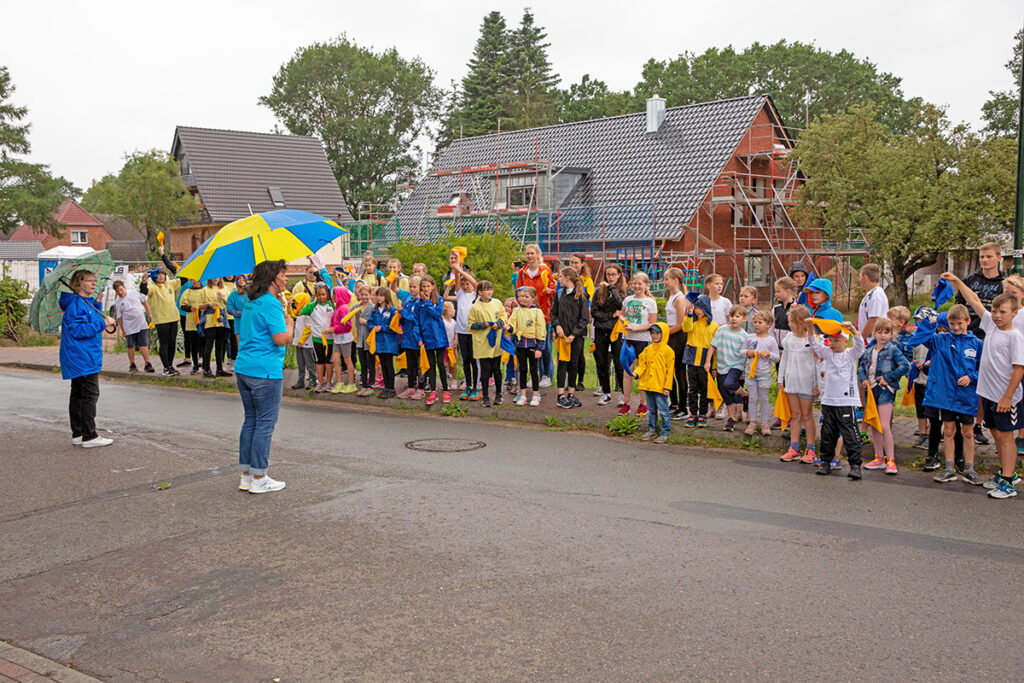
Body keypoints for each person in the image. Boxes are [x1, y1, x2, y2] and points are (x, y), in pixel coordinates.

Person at [946, 274, 1024, 498]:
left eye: (1003, 312)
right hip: (989, 394)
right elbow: (974, 300)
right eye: (995, 311)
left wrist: (1007, 397)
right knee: (996, 434)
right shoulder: (990, 325)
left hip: (1005, 397)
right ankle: (1005, 473)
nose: (997, 315)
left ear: (1014, 313)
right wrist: (957, 282)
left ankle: (1008, 483)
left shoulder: (1015, 337)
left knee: (1006, 437)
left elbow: (1019, 369)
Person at [908, 305, 984, 485]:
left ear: (968, 321)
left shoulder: (977, 344)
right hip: (945, 396)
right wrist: (931, 322)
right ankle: (949, 468)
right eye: (952, 323)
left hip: (966, 396)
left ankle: (969, 469)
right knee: (949, 431)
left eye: (960, 323)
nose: (956, 327)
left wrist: (971, 377)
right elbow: (916, 339)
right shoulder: (939, 340)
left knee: (968, 432)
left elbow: (983, 368)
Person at [235, 259, 291, 494]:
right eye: (283, 274)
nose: (286, 278)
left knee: (251, 420)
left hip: (245, 367)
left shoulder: (251, 301)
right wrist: (290, 322)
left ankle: (247, 475)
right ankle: (259, 477)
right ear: (272, 279)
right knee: (265, 424)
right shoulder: (270, 303)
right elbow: (281, 338)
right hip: (265, 371)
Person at [61, 269, 117, 448]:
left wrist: (98, 305)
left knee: (78, 394)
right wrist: (103, 322)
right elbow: (79, 330)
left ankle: (78, 433)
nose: (94, 283)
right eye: (89, 280)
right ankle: (89, 435)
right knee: (90, 394)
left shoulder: (84, 302)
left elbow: (88, 319)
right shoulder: (76, 305)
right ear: (78, 283)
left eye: (94, 280)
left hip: (83, 355)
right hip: (82, 356)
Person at [809, 320, 866, 479]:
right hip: (828, 400)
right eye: (830, 340)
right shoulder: (827, 353)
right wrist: (809, 327)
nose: (832, 343)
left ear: (845, 341)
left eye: (836, 340)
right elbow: (814, 344)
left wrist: (853, 329)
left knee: (850, 433)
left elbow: (861, 346)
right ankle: (826, 462)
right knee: (827, 433)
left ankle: (855, 466)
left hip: (845, 401)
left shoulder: (850, 354)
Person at [857, 318, 910, 475]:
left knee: (884, 425)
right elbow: (861, 367)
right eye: (879, 332)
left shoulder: (893, 350)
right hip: (871, 390)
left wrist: (888, 378)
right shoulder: (869, 350)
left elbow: (905, 366)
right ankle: (878, 458)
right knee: (874, 424)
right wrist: (863, 379)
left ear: (892, 334)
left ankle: (891, 459)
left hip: (885, 390)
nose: (882, 335)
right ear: (874, 333)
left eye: (886, 332)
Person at [778, 306, 818, 464]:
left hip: (807, 383)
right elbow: (784, 359)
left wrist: (817, 385)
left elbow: (817, 363)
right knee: (795, 415)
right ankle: (793, 448)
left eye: (791, 321)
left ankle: (810, 449)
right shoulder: (788, 338)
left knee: (807, 415)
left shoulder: (812, 339)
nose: (789, 324)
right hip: (791, 381)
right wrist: (780, 379)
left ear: (800, 322)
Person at [616, 272, 658, 416]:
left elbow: (652, 323)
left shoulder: (650, 302)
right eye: (635, 283)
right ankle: (626, 403)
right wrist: (623, 320)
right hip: (628, 340)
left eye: (640, 283)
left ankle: (643, 404)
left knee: (643, 372)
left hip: (643, 340)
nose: (637, 286)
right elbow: (622, 314)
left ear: (646, 285)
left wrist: (636, 328)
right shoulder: (628, 300)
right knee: (627, 371)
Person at [516, 244, 556, 385]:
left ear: (538, 254)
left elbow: (552, 287)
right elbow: (518, 291)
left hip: (543, 313)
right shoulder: (523, 272)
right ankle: (535, 375)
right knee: (531, 347)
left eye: (532, 253)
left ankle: (547, 375)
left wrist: (549, 291)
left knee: (545, 346)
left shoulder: (545, 270)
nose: (529, 256)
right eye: (527, 253)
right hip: (527, 314)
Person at [550, 267, 589, 409]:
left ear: (567, 278)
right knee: (562, 363)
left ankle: (571, 393)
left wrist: (573, 335)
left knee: (574, 363)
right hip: (562, 336)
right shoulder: (559, 294)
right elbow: (553, 313)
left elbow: (584, 318)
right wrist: (557, 326)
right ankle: (560, 395)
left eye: (560, 276)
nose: (559, 279)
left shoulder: (581, 295)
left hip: (576, 337)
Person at [467, 280, 507, 407]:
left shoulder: (497, 303)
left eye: (491, 289)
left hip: (496, 341)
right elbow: (470, 326)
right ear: (479, 292)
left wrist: (498, 324)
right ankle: (485, 396)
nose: (489, 292)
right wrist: (483, 325)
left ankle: (499, 394)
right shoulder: (475, 307)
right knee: (485, 371)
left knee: (496, 369)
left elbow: (503, 316)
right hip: (482, 343)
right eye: (486, 290)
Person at [591, 264, 626, 406]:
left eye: (613, 274)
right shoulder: (598, 291)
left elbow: (622, 305)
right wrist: (611, 315)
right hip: (601, 330)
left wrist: (612, 288)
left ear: (619, 275)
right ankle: (606, 392)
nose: (610, 277)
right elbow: (594, 312)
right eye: (608, 274)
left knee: (619, 363)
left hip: (616, 331)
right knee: (602, 362)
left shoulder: (623, 291)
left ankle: (624, 393)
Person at [710, 305, 749, 432]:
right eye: (732, 316)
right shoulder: (721, 330)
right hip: (722, 365)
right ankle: (731, 419)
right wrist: (708, 362)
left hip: (736, 365)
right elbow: (712, 346)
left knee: (729, 383)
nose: (734, 319)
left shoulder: (744, 336)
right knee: (725, 392)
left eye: (737, 316)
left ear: (744, 319)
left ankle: (744, 394)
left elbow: (747, 353)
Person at [681, 295, 718, 427]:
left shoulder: (714, 326)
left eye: (700, 308)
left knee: (704, 390)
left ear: (706, 308)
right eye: (696, 308)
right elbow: (685, 328)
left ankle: (703, 413)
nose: (698, 311)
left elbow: (715, 348)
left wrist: (714, 366)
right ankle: (693, 414)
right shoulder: (692, 321)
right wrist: (689, 315)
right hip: (691, 360)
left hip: (705, 361)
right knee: (692, 389)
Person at [635, 322, 675, 443]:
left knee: (663, 411)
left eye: (658, 333)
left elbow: (670, 372)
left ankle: (665, 431)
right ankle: (651, 429)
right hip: (648, 385)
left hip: (660, 387)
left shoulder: (668, 351)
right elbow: (642, 365)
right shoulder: (647, 350)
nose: (654, 336)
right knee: (652, 410)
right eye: (652, 333)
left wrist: (667, 387)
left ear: (664, 334)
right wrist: (636, 373)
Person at [742, 311, 780, 436]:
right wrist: (747, 352)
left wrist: (768, 354)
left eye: (760, 322)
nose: (756, 325)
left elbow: (777, 358)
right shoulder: (750, 337)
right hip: (750, 373)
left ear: (768, 324)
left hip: (764, 373)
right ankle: (752, 422)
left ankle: (764, 423)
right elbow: (741, 351)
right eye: (755, 322)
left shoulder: (771, 340)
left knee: (764, 399)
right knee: (752, 398)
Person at [507, 285, 546, 406]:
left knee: (534, 370)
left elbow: (541, 330)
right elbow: (512, 326)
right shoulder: (517, 311)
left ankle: (535, 395)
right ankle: (523, 395)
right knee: (522, 370)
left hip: (533, 345)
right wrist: (508, 327)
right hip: (520, 345)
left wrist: (540, 348)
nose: (523, 299)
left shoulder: (537, 312)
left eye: (526, 296)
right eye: (522, 296)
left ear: (533, 298)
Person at [417, 275, 451, 405]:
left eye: (428, 286)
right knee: (430, 365)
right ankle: (432, 390)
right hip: (427, 337)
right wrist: (419, 337)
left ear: (433, 286)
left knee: (440, 363)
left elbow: (437, 314)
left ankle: (445, 390)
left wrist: (427, 302)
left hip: (439, 337)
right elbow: (417, 321)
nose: (426, 289)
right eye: (423, 287)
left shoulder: (439, 299)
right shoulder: (418, 302)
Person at [449, 261, 480, 400]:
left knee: (475, 361)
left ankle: (476, 387)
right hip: (461, 332)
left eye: (467, 283)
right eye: (463, 284)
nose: (465, 286)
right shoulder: (460, 294)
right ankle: (467, 386)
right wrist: (456, 268)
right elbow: (457, 280)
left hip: (473, 333)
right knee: (465, 361)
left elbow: (476, 284)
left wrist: (462, 271)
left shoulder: (477, 295)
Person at [152, 244, 183, 375]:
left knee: (172, 343)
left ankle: (170, 365)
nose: (161, 276)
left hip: (173, 318)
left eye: (163, 274)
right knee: (164, 343)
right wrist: (143, 282)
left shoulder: (170, 284)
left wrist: (164, 256)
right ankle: (165, 368)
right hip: (161, 320)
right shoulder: (153, 287)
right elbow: (144, 289)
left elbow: (181, 276)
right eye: (158, 275)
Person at [111, 279, 154, 373]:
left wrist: (150, 314)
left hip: (141, 323)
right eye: (117, 291)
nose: (120, 292)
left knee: (143, 344)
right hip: (129, 326)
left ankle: (147, 363)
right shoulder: (118, 302)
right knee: (130, 345)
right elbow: (119, 317)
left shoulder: (134, 293)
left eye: (121, 289)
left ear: (124, 287)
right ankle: (132, 364)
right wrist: (123, 330)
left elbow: (145, 303)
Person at [299, 282, 335, 392]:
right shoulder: (312, 306)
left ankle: (328, 382)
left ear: (328, 294)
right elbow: (300, 312)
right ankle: (320, 382)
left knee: (329, 362)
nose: (321, 297)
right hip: (317, 338)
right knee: (319, 361)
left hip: (330, 339)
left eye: (323, 294)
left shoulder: (332, 306)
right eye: (319, 295)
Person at [663, 268, 689, 419]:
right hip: (670, 336)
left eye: (667, 279)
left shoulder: (680, 298)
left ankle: (683, 407)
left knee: (679, 372)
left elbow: (680, 324)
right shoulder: (671, 296)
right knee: (669, 370)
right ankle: (673, 403)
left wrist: (664, 333)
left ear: (676, 280)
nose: (665, 282)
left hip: (678, 337)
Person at [368, 285, 400, 398]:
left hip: (389, 342)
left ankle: (391, 388)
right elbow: (369, 323)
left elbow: (393, 326)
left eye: (381, 296)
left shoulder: (392, 310)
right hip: (379, 342)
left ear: (387, 297)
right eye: (377, 295)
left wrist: (382, 328)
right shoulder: (374, 311)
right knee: (383, 364)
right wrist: (373, 327)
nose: (379, 298)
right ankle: (386, 387)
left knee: (389, 365)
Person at [396, 277, 424, 399]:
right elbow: (404, 320)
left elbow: (415, 318)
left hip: (417, 338)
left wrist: (403, 312)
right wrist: (399, 316)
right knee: (410, 364)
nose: (412, 289)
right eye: (410, 287)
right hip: (407, 337)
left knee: (420, 364)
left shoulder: (421, 303)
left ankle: (421, 388)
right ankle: (411, 387)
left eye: (414, 287)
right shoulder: (408, 302)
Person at [198, 278, 232, 379]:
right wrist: (208, 304)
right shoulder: (205, 290)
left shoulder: (225, 289)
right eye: (214, 277)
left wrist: (223, 299)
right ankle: (206, 369)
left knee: (220, 345)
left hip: (221, 320)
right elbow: (200, 307)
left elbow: (229, 304)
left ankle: (219, 369)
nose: (216, 279)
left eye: (217, 277)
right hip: (210, 321)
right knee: (209, 345)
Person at [329, 286, 358, 394]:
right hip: (337, 337)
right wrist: (331, 328)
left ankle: (351, 383)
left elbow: (348, 325)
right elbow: (333, 321)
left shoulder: (343, 308)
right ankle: (340, 382)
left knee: (347, 360)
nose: (332, 296)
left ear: (339, 296)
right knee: (335, 359)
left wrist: (334, 329)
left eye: (334, 294)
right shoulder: (337, 308)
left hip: (344, 337)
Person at [289, 292, 315, 390]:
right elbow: (292, 314)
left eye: (296, 303)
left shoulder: (308, 313)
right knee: (300, 364)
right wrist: (289, 306)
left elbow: (309, 328)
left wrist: (301, 340)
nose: (295, 305)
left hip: (306, 343)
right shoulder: (299, 313)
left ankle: (312, 381)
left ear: (301, 302)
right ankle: (300, 381)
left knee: (309, 364)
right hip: (299, 343)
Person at [354, 284, 376, 397]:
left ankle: (371, 384)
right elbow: (348, 314)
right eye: (362, 294)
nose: (364, 297)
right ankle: (364, 385)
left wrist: (366, 322)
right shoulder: (356, 307)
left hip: (369, 339)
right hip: (360, 339)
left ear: (370, 295)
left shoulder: (373, 307)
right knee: (363, 363)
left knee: (371, 363)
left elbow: (375, 322)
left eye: (366, 294)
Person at [178, 279, 204, 374]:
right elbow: (182, 305)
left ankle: (205, 364)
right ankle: (195, 365)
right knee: (194, 343)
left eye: (197, 280)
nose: (195, 282)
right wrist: (190, 308)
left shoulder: (205, 290)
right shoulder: (187, 291)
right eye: (193, 280)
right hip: (192, 321)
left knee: (203, 343)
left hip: (204, 320)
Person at [857, 264, 889, 340]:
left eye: (860, 276)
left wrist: (861, 340)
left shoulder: (876, 295)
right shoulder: (871, 293)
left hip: (870, 341)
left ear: (865, 277)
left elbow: (873, 320)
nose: (859, 280)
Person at [770, 276, 798, 347]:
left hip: (791, 349)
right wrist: (775, 347)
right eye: (775, 291)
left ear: (788, 291)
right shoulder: (775, 309)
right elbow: (771, 330)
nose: (775, 294)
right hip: (777, 349)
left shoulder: (796, 308)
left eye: (778, 291)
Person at [226, 274, 249, 350]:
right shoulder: (233, 294)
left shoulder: (252, 293)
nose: (241, 280)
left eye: (243, 278)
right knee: (241, 346)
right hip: (239, 322)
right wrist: (240, 313)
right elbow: (229, 309)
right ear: (236, 281)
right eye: (239, 279)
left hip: (252, 322)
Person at [442, 300, 458, 391]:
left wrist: (456, 340)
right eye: (453, 309)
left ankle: (454, 380)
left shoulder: (453, 322)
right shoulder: (442, 321)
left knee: (453, 363)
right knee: (445, 364)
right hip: (445, 347)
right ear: (448, 311)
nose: (455, 310)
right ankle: (445, 382)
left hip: (452, 347)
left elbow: (456, 332)